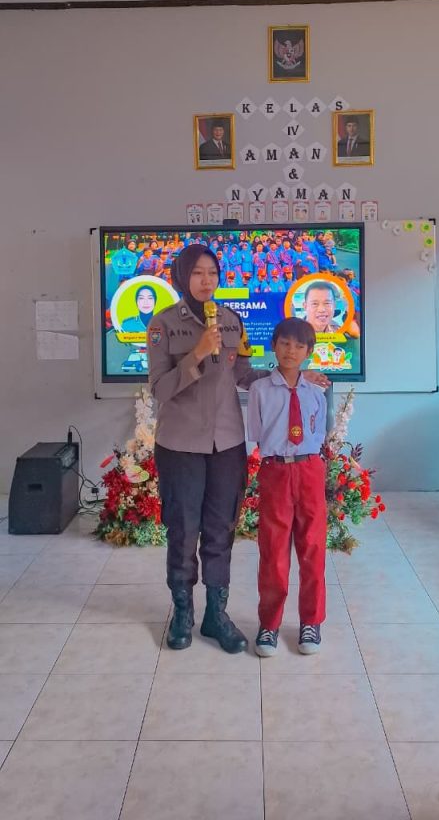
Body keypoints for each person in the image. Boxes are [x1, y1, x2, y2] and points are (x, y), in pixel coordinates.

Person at [146, 244, 271, 655]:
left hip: (227, 444)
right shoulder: (163, 324)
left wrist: (292, 375)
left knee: (221, 529)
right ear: (182, 277)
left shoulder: (233, 321)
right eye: (198, 273)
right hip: (180, 444)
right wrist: (197, 354)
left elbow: (245, 374)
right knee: (183, 529)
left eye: (212, 273)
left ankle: (216, 614)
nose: (206, 281)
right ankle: (182, 612)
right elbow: (160, 389)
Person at [247, 318, 327, 656]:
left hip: (309, 469)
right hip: (276, 470)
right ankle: (269, 624)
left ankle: (311, 621)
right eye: (284, 343)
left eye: (298, 346)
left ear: (308, 351)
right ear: (274, 346)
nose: (290, 351)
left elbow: (318, 434)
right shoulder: (260, 390)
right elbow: (256, 433)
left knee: (312, 548)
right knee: (274, 551)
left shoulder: (316, 393)